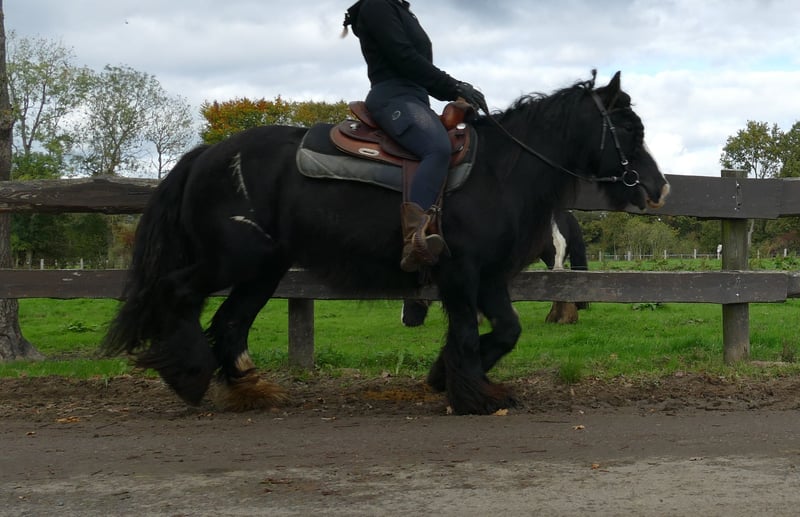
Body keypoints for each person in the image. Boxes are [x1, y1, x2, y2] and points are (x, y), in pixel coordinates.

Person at [342, 0, 488, 272]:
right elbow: (404, 57)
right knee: (437, 147)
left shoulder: (402, 10)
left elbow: (418, 68)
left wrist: (456, 92)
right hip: (393, 97)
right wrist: (453, 86)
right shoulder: (377, 6)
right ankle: (414, 240)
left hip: (417, 100)